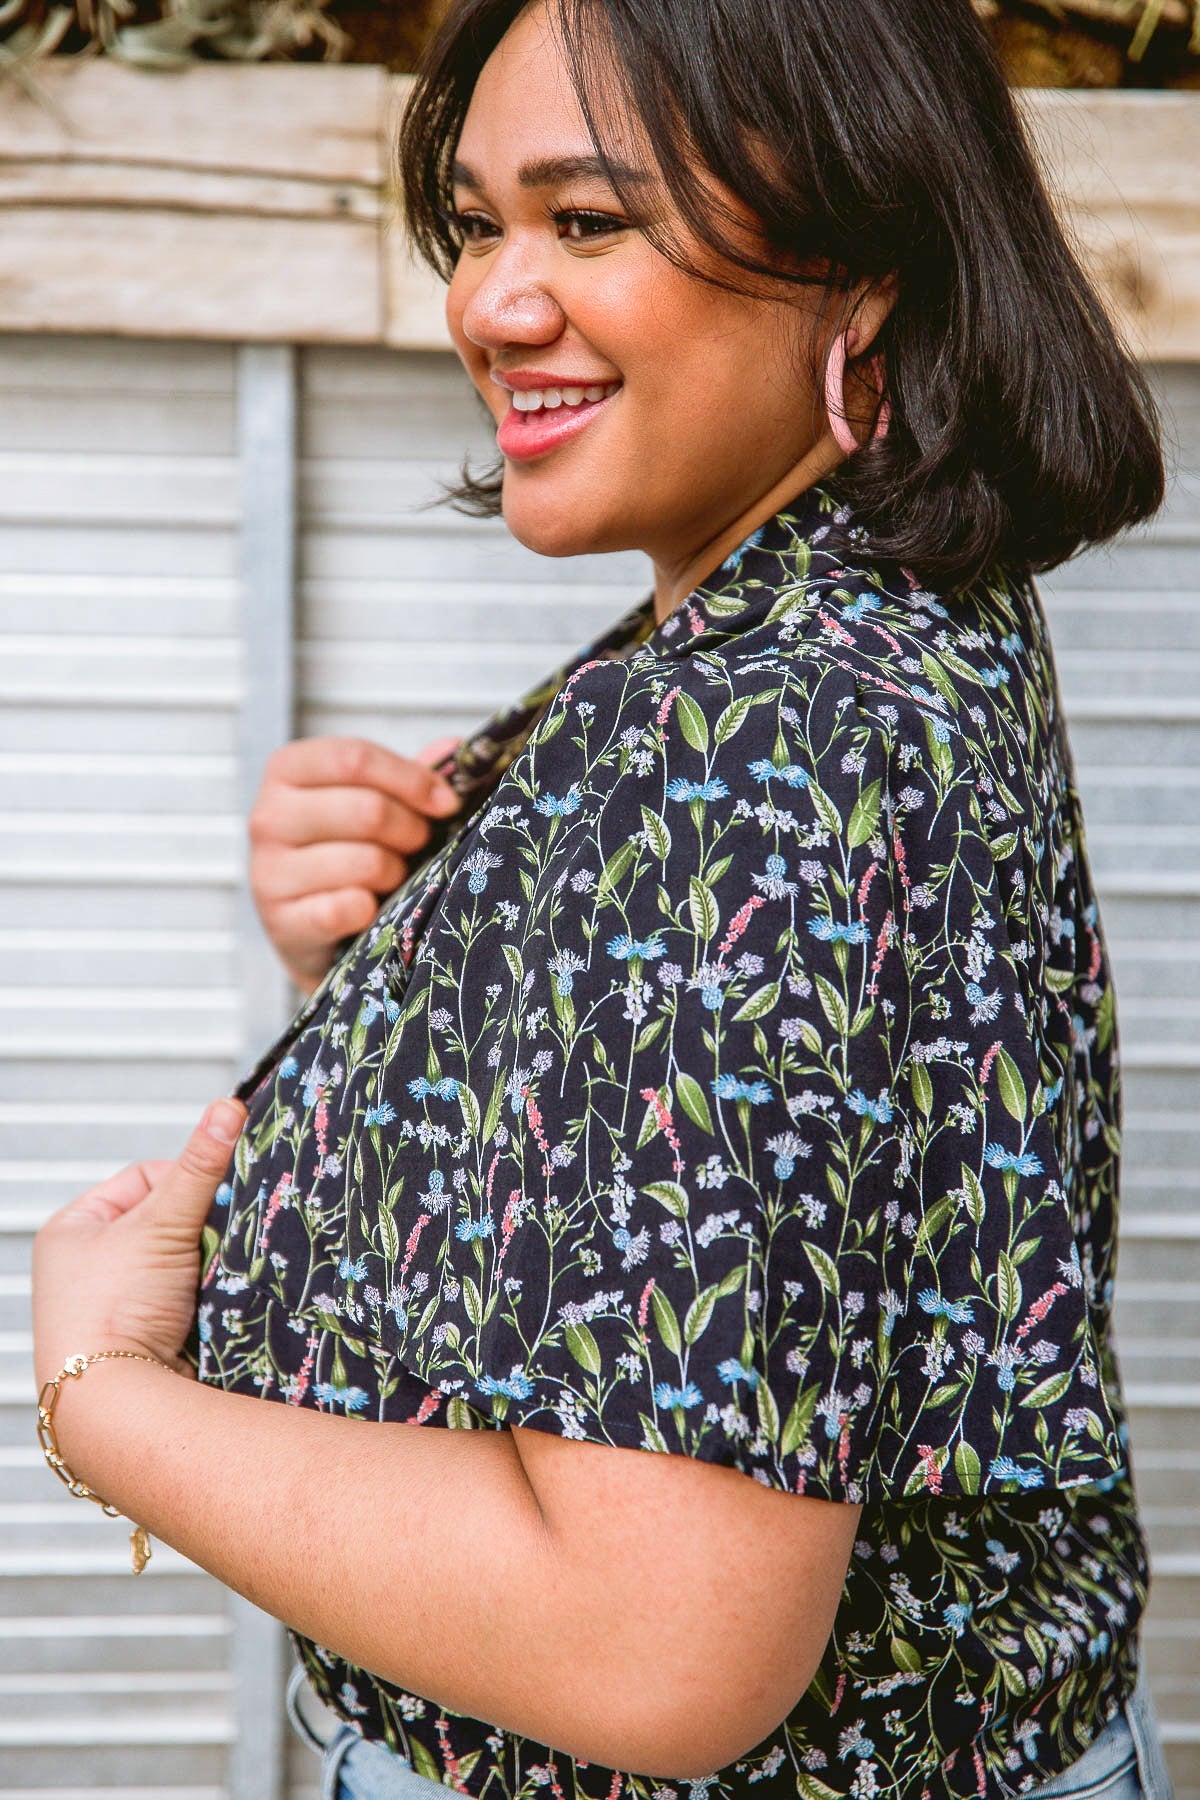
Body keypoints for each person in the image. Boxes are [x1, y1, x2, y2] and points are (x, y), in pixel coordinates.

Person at [30, 3, 1179, 1799]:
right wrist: (395, 973)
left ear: (863, 269)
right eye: (477, 223)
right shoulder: (846, 629)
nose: (491, 302)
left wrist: (102, 1390)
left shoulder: (767, 741)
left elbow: (661, 1651)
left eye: (588, 220)